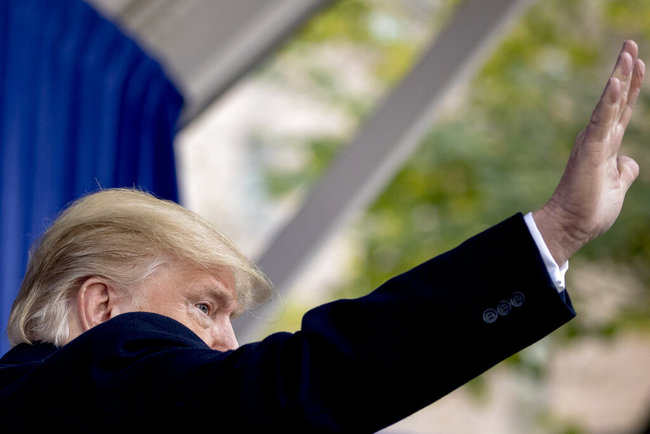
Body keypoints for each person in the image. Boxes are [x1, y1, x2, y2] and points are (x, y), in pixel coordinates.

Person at [0, 40, 644, 432]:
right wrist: (554, 233)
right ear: (102, 307)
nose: (228, 342)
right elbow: (297, 384)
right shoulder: (76, 388)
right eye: (203, 306)